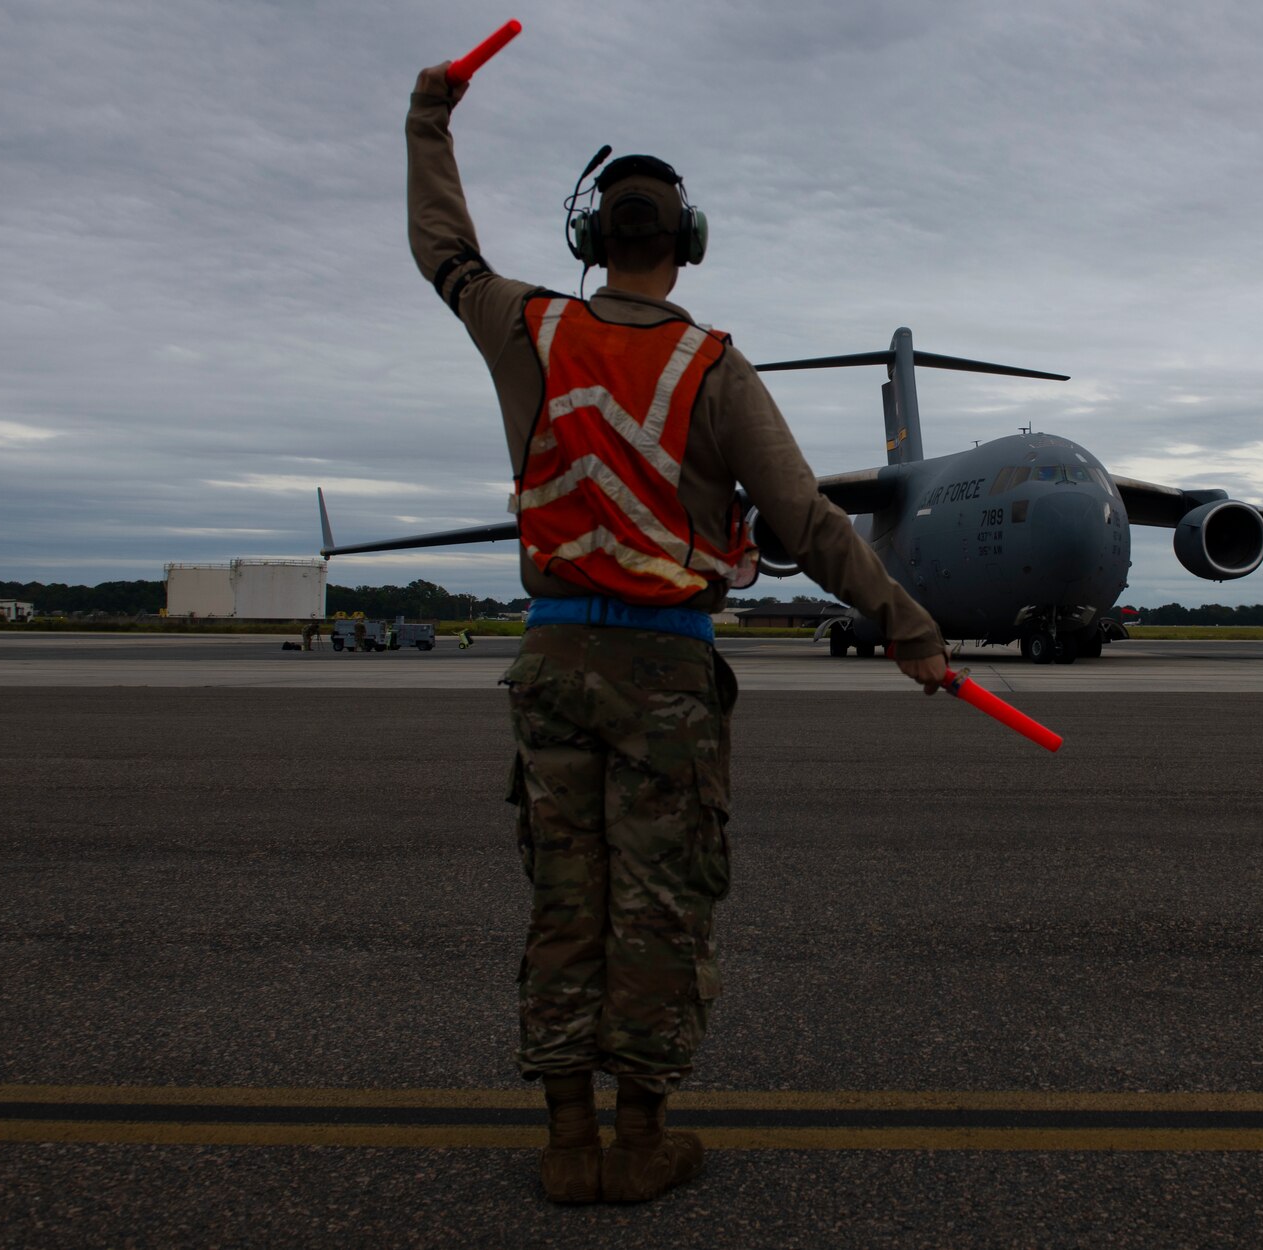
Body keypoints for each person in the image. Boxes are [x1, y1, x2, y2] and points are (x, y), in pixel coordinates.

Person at [407, 63, 948, 1203]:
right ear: (686, 242)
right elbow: (802, 519)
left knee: (567, 893)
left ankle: (566, 1141)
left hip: (551, 658)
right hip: (663, 667)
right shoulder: (714, 368)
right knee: (659, 899)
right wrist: (908, 629)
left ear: (588, 235)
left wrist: (429, 121)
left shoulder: (528, 325)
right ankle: (640, 1134)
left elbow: (444, 252)